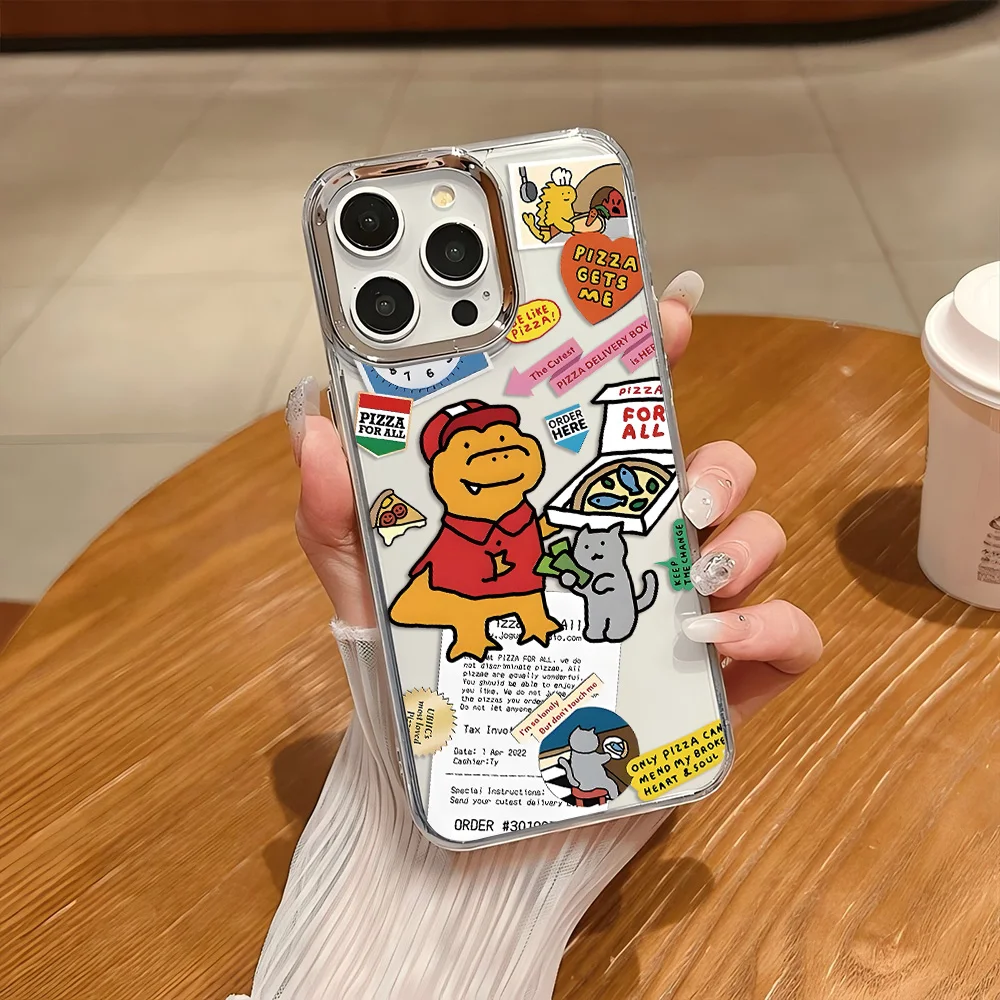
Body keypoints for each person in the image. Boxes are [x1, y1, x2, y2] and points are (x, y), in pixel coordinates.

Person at [232, 272, 822, 1000]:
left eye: (508, 442)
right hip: (468, 638)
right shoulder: (452, 538)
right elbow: (431, 597)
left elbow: (549, 570)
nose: (499, 458)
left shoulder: (532, 523)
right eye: (474, 451)